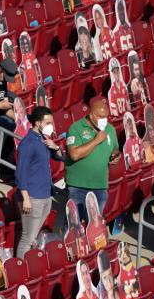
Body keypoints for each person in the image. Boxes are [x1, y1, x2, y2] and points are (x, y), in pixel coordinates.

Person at [62, 97, 120, 231]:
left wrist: (116, 156)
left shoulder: (110, 129)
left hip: (100, 187)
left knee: (95, 228)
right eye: (100, 116)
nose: (104, 120)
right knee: (73, 226)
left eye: (106, 116)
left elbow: (115, 148)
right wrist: (95, 141)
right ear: (91, 115)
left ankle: (91, 251)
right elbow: (74, 154)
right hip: (78, 187)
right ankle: (69, 251)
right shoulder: (76, 128)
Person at [15, 105, 65, 257]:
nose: (51, 126)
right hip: (32, 197)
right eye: (48, 123)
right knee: (27, 238)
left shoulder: (44, 140)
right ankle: (20, 271)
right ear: (38, 123)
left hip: (45, 195)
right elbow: (20, 172)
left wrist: (55, 147)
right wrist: (25, 198)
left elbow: (61, 157)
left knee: (33, 236)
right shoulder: (28, 143)